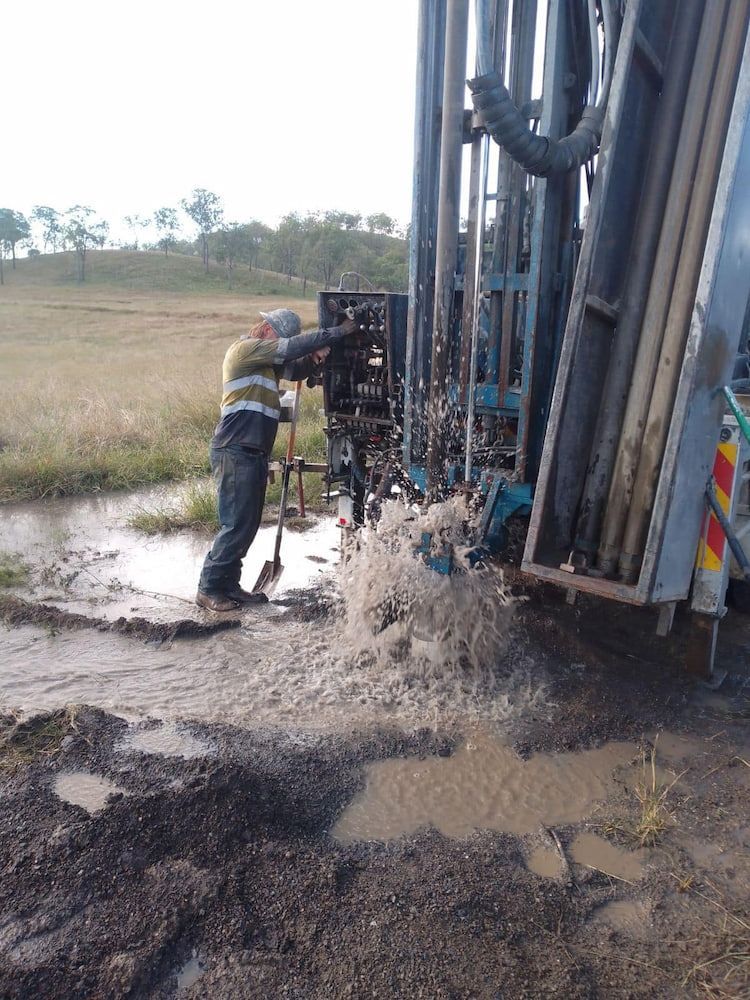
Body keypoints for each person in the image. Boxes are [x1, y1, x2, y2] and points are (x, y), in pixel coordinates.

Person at [196, 308, 357, 612]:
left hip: (252, 451)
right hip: (235, 448)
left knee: (247, 524)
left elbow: (295, 369)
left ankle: (229, 585)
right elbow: (290, 349)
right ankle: (209, 588)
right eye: (280, 339)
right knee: (235, 524)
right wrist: (336, 332)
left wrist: (314, 358)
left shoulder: (266, 366)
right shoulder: (245, 350)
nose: (281, 345)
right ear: (267, 330)